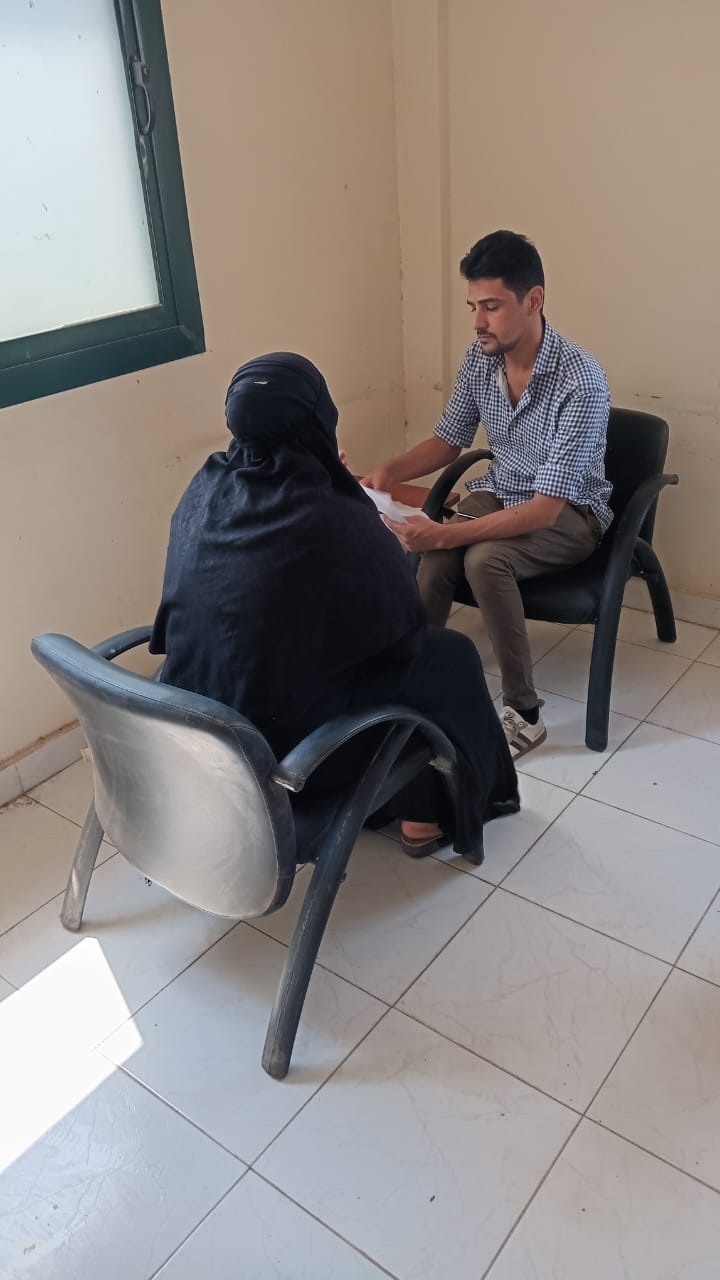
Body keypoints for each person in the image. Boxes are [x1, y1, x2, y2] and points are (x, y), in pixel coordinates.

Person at [150, 352, 519, 861]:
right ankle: (434, 812)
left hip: (201, 727)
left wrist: (330, 486)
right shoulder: (333, 517)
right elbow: (402, 629)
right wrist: (348, 503)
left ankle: (409, 804)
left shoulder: (205, 489)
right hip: (285, 757)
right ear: (321, 419)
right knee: (444, 658)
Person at [364, 230, 612, 759]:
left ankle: (525, 714)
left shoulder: (581, 381)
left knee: (483, 560)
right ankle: (415, 689)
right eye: (473, 306)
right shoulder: (483, 358)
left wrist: (446, 531)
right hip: (501, 491)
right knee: (436, 558)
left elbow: (544, 509)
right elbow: (448, 440)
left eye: (492, 306)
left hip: (569, 513)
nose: (478, 321)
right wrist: (388, 471)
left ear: (533, 300)